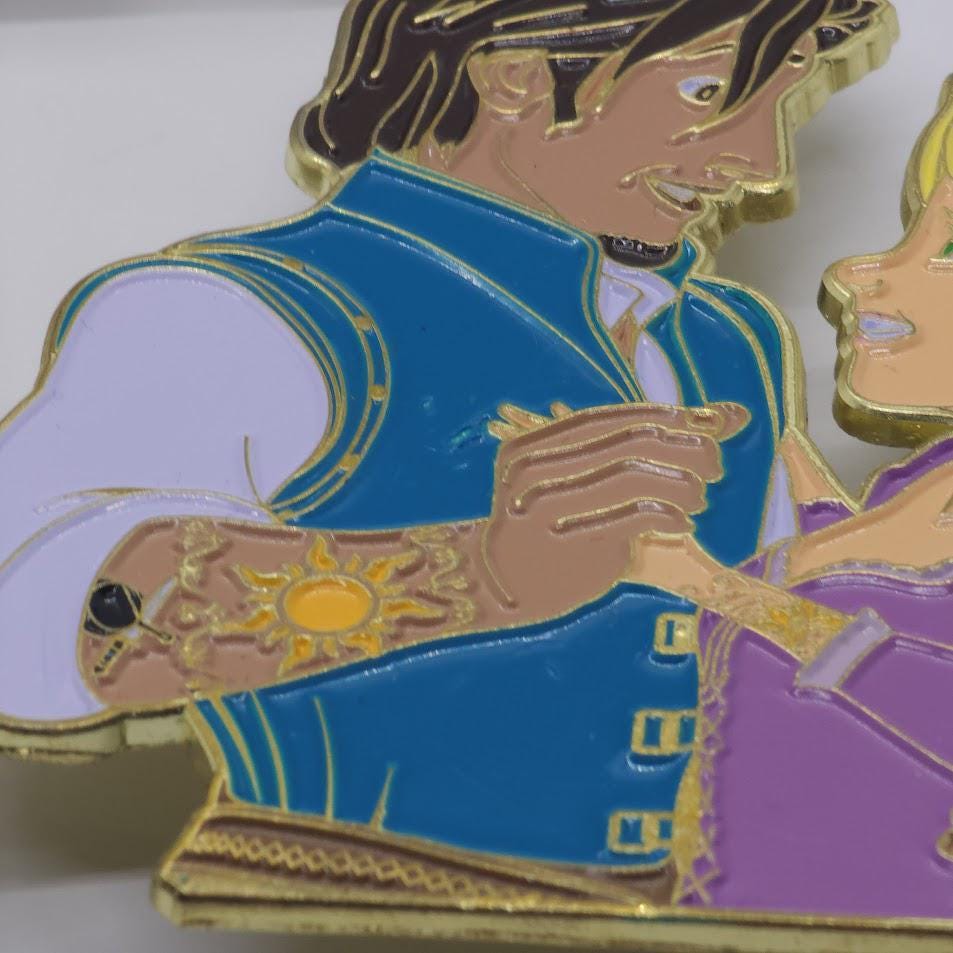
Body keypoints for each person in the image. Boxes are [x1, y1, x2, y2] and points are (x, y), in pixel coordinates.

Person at [0, 0, 906, 922]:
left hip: (725, 896)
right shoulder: (226, 308)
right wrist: (474, 573)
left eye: (778, 102)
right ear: (512, 76)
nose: (760, 163)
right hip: (335, 887)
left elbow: (803, 644)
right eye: (708, 93)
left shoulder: (730, 336)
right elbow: (27, 621)